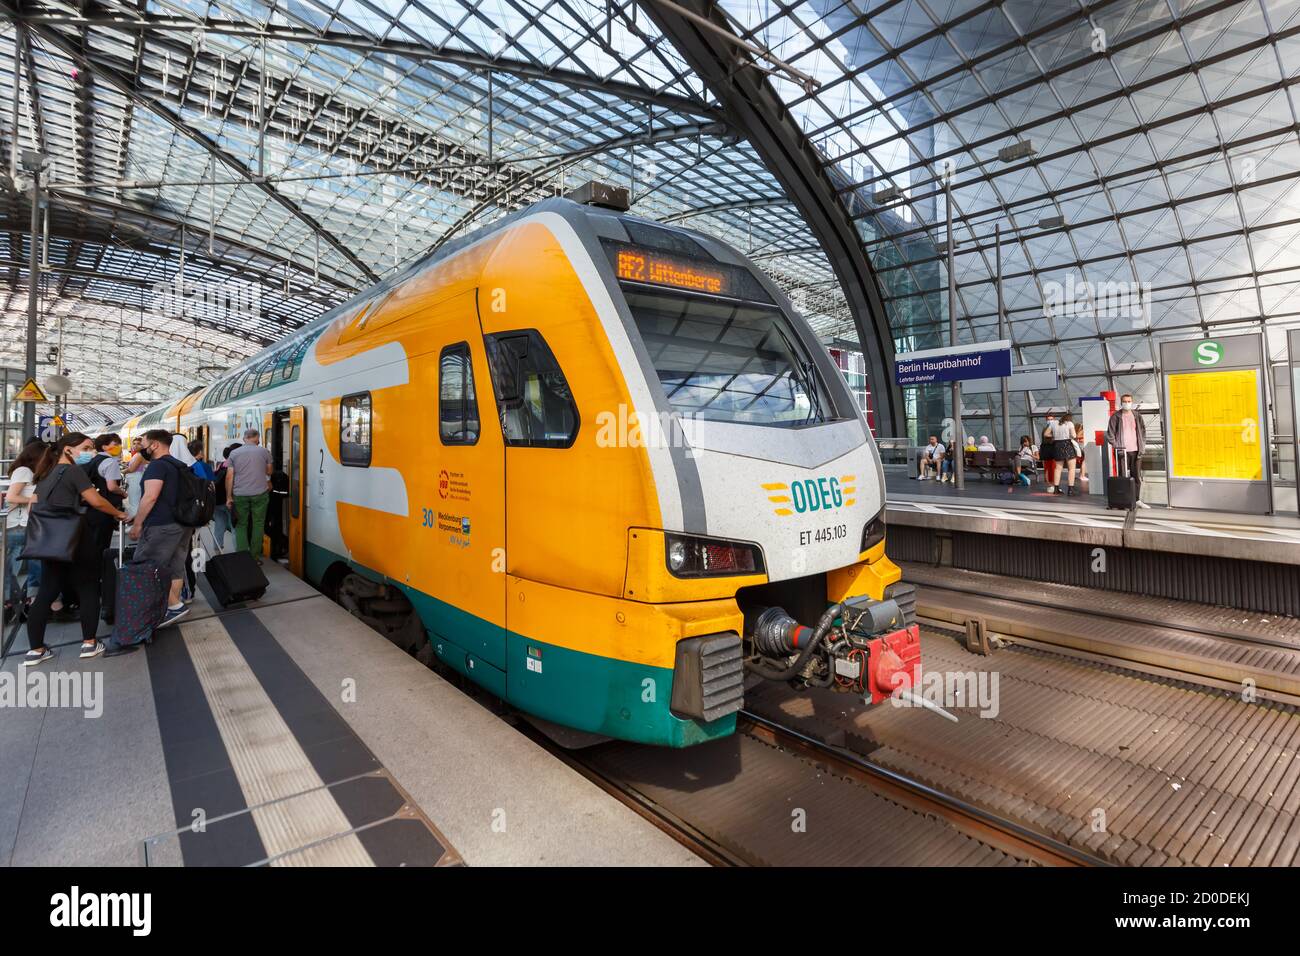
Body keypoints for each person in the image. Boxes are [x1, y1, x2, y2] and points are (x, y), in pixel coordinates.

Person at [21, 433, 130, 666]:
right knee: (88, 586)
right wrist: (119, 513)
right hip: (77, 538)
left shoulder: (45, 473)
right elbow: (96, 501)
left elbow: (33, 508)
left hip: (51, 542)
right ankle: (89, 643)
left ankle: (35, 650)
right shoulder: (73, 472)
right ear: (68, 449)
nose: (90, 452)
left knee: (47, 591)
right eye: (86, 448)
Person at [129, 429, 194, 631]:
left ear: (155, 445)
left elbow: (151, 497)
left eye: (144, 443)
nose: (142, 448)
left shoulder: (156, 466)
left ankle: (174, 606)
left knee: (147, 566)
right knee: (175, 567)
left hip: (161, 525)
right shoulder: (179, 465)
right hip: (182, 524)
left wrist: (138, 523)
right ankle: (170, 606)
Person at [4, 441, 50, 618]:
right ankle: (13, 602)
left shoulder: (30, 472)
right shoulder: (24, 471)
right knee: (12, 567)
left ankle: (18, 601)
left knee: (22, 565)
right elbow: (12, 497)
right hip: (18, 525)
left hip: (24, 525)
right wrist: (35, 500)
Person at [226, 428, 273, 562]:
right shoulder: (265, 452)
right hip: (260, 494)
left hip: (240, 494)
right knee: (258, 524)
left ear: (244, 438)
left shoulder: (234, 453)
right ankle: (255, 557)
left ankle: (243, 559)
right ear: (257, 439)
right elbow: (269, 472)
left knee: (241, 525)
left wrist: (229, 497)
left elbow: (229, 476)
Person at [1106, 393, 1149, 509]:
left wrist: (1142, 445)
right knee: (1123, 476)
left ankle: (1137, 499)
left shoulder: (1137, 416)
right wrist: (1117, 446)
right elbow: (1110, 434)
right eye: (1125, 401)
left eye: (1129, 401)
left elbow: (1143, 432)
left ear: (1132, 402)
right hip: (1122, 452)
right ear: (1121, 402)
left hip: (1136, 451)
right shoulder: (1116, 416)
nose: (1127, 403)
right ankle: (1124, 500)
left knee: (1136, 476)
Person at [209, 443, 239, 552]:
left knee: (219, 525)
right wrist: (229, 497)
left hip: (217, 501)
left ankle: (217, 550)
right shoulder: (234, 466)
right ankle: (238, 552)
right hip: (228, 501)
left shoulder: (221, 465)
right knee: (235, 527)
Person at [1051, 412, 1079, 495]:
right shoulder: (1069, 423)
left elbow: (1046, 433)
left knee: (1058, 468)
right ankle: (1070, 490)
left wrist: (1054, 436)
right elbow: (1074, 435)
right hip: (1067, 444)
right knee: (1071, 468)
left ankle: (1056, 489)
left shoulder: (1054, 423)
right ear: (1069, 418)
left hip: (1057, 445)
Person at [1040, 414, 1058, 492]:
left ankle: (1054, 484)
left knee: (1054, 468)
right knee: (1047, 468)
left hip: (1053, 449)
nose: (1049, 421)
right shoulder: (1045, 429)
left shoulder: (1054, 428)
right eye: (1048, 419)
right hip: (1047, 449)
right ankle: (1050, 485)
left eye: (1051, 419)